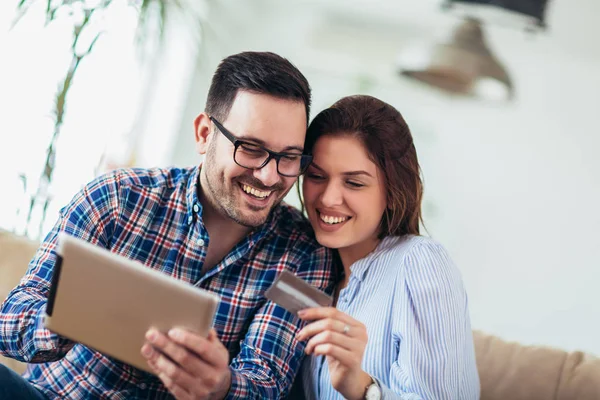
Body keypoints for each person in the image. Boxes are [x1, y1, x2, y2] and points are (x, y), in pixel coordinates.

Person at [0, 51, 337, 399]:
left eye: (289, 157)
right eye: (251, 148)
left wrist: (221, 385)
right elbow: (10, 322)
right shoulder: (116, 198)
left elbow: (267, 381)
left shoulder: (305, 254)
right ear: (205, 134)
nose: (269, 175)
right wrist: (73, 316)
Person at [292, 95, 480, 399]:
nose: (328, 198)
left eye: (354, 183)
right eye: (316, 176)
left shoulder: (419, 262)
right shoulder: (315, 268)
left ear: (393, 192)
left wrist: (362, 388)